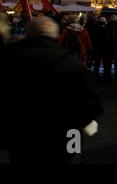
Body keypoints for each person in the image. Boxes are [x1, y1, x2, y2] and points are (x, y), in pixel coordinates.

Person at [0, 16, 103, 164]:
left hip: (22, 137)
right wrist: (80, 123)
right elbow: (92, 103)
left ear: (28, 34)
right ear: (55, 35)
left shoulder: (7, 60)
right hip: (68, 135)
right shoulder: (72, 63)